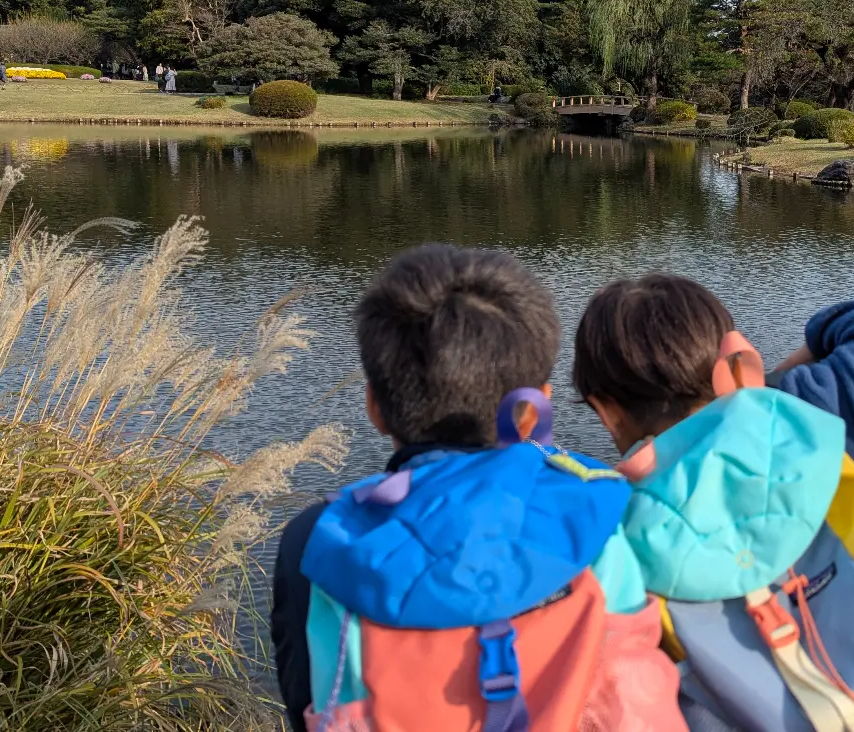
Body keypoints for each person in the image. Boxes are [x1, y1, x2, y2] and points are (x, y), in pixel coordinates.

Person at [269, 245, 681, 732]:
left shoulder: (315, 543)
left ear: (374, 406)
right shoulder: (601, 514)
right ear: (534, 413)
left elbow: (306, 705)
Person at [572, 275, 854, 731]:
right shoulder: (825, 422)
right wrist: (758, 394)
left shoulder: (608, 538)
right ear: (732, 357)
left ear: (605, 410)